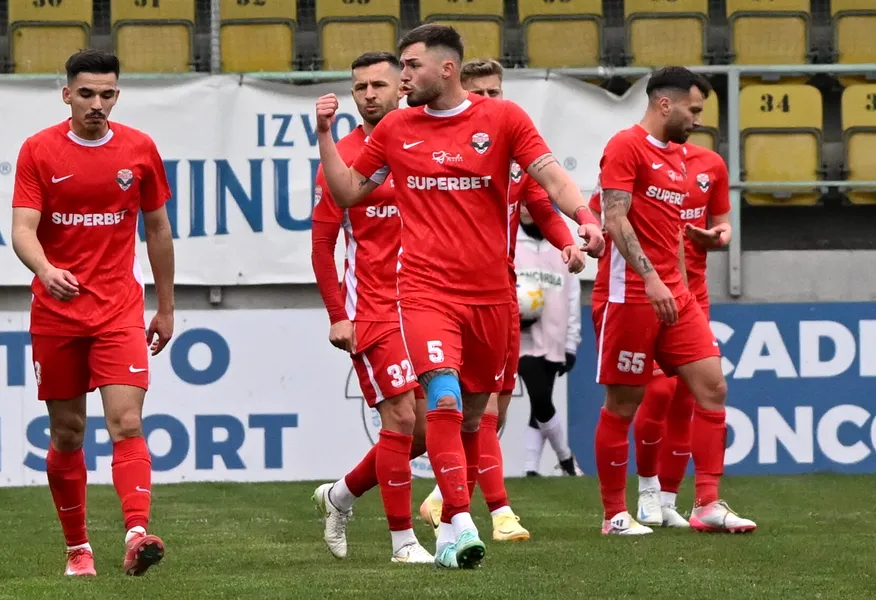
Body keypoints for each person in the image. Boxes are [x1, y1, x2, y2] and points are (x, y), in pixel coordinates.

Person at [314, 24, 604, 568]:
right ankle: (459, 522)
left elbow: (549, 181)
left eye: (411, 66)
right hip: (423, 292)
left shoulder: (505, 120)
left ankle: (439, 523)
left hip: (492, 296)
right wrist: (326, 136)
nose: (402, 77)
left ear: (446, 68)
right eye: (399, 67)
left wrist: (583, 218)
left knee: (477, 418)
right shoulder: (397, 128)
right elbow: (347, 191)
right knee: (440, 400)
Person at [10, 49, 175, 576]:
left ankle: (136, 534)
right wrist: (46, 270)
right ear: (67, 95)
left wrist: (166, 306)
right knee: (67, 432)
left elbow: (158, 229)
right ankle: (77, 549)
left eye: (107, 94)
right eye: (86, 93)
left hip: (118, 310)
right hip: (57, 313)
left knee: (127, 422)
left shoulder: (139, 149)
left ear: (117, 96)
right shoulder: (38, 150)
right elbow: (22, 230)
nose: (97, 104)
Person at [418, 58, 586, 543]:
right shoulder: (445, 153)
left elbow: (542, 205)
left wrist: (567, 241)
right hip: (445, 295)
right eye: (481, 92)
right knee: (477, 410)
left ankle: (438, 498)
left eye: (496, 91)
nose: (490, 100)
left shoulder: (511, 151)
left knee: (495, 410)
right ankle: (498, 512)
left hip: (501, 295)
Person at [590, 66, 756, 535]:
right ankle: (614, 515)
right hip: (629, 296)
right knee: (624, 404)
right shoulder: (625, 146)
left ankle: (707, 503)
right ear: (665, 104)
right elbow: (615, 219)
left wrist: (679, 285)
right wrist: (651, 279)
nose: (698, 119)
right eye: (693, 109)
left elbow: (672, 233)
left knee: (712, 388)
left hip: (676, 296)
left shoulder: (682, 159)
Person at [309, 52, 432, 565]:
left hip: (427, 303)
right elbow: (322, 244)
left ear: (401, 87)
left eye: (378, 84)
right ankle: (403, 542)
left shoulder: (427, 146)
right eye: (360, 87)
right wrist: (338, 314)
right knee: (400, 418)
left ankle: (340, 495)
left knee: (427, 431)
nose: (369, 94)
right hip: (373, 310)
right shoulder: (343, 159)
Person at [514, 205, 583, 477]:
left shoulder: (563, 246)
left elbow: (573, 296)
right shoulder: (511, 241)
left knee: (539, 405)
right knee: (541, 398)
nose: (525, 209)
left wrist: (571, 343)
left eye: (531, 204)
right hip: (522, 339)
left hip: (554, 339)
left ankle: (531, 468)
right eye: (522, 204)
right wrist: (513, 315)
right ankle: (566, 459)